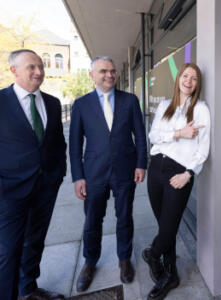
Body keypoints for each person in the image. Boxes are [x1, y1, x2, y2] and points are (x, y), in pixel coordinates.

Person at [69, 56, 147, 292]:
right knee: (92, 220)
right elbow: (74, 144)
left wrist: (141, 164)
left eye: (113, 71)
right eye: (103, 71)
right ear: (92, 75)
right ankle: (90, 262)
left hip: (125, 169)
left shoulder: (130, 100)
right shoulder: (81, 104)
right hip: (94, 173)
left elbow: (141, 136)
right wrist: (78, 176)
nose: (110, 75)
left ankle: (124, 259)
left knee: (124, 217)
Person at [0, 49, 67, 300]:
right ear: (14, 70)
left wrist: (59, 174)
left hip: (45, 187)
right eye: (31, 67)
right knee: (8, 251)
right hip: (9, 192)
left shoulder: (52, 102)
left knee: (35, 242)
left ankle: (28, 289)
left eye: (40, 66)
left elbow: (57, 142)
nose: (39, 72)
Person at [142, 63, 210, 300]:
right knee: (164, 226)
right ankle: (170, 275)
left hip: (178, 173)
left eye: (194, 78)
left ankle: (153, 254)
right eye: (185, 76)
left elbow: (203, 149)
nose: (188, 81)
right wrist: (179, 134)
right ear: (178, 78)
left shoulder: (200, 109)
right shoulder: (164, 106)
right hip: (156, 170)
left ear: (197, 85)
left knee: (169, 227)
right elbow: (153, 136)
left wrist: (188, 173)